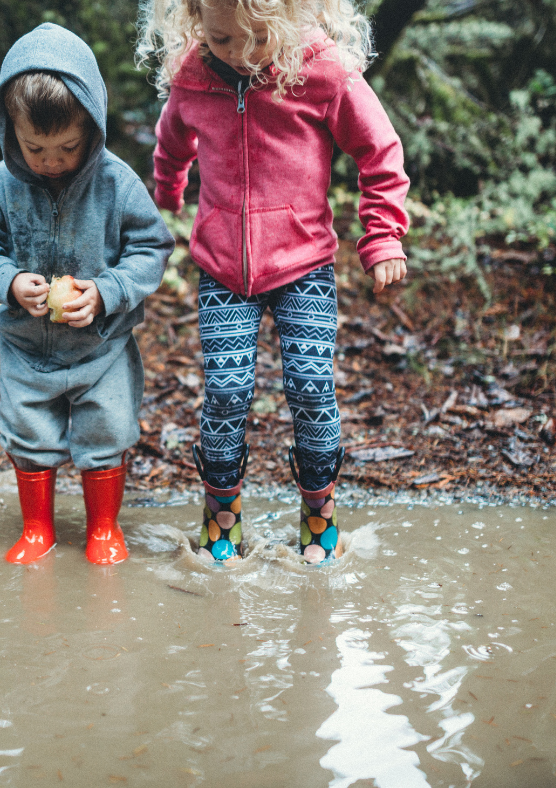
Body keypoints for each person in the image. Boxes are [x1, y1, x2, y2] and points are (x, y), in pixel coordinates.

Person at [136, 0, 410, 563]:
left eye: (255, 40)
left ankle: (319, 515)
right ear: (194, 21)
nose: (237, 55)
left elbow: (378, 152)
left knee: (311, 387)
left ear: (287, 19)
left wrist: (382, 236)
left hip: (304, 262)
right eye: (220, 39)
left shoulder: (323, 72)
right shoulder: (193, 74)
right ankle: (222, 516)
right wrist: (164, 198)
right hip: (220, 267)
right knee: (226, 393)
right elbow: (172, 144)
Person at [0, 23, 174, 565]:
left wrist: (106, 292)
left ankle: (103, 527)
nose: (52, 161)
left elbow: (152, 248)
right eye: (35, 148)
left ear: (93, 127)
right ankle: (37, 529)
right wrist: (7, 281)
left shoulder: (116, 183)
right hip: (27, 347)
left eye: (68, 148)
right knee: (28, 433)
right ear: (10, 131)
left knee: (106, 430)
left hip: (101, 348)